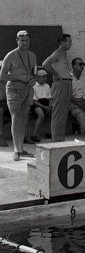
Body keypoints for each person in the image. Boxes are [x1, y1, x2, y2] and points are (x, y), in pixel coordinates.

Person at [1, 30, 37, 160]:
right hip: (14, 90)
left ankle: (21, 149)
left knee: (23, 118)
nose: (25, 43)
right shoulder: (10, 55)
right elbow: (2, 75)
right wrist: (19, 77)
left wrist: (34, 79)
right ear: (17, 41)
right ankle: (16, 150)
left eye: (27, 40)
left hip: (28, 90)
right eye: (22, 40)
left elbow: (35, 72)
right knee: (16, 118)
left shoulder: (32, 55)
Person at [42, 33, 74, 142]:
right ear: (62, 43)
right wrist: (56, 74)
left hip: (67, 83)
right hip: (61, 84)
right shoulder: (57, 53)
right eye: (69, 41)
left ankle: (60, 139)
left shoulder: (64, 54)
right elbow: (45, 64)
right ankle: (56, 140)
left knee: (63, 114)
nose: (71, 44)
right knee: (58, 113)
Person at [31, 69, 52, 143]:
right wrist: (44, 107)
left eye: (46, 77)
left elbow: (50, 98)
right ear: (38, 77)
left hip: (46, 102)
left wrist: (50, 105)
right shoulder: (34, 86)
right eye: (43, 77)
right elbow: (34, 101)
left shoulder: (47, 86)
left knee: (53, 113)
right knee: (41, 114)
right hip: (37, 104)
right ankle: (34, 134)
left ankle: (49, 132)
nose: (45, 79)